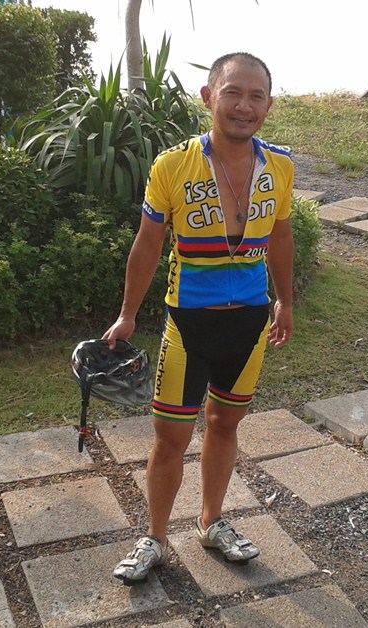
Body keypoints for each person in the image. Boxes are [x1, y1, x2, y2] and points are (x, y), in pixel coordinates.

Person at [102, 52, 295, 583]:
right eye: (232, 92)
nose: (244, 106)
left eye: (256, 96)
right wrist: (127, 315)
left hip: (250, 322)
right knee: (170, 435)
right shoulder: (174, 165)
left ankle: (211, 522)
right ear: (209, 97)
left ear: (268, 105)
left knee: (225, 423)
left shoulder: (279, 166)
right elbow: (147, 244)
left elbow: (281, 236)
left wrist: (285, 301)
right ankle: (155, 538)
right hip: (189, 323)